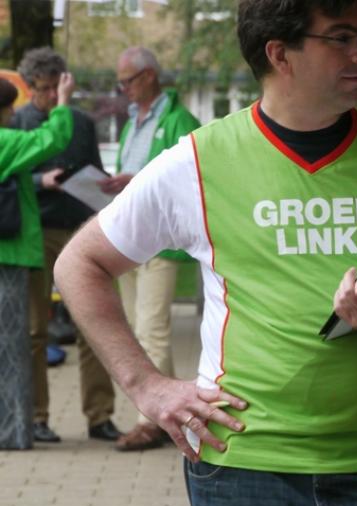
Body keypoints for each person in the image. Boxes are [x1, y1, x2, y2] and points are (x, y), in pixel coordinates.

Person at [54, 0, 357, 506]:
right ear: (279, 53)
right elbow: (79, 263)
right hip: (246, 472)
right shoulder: (199, 160)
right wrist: (148, 388)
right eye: (342, 38)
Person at [10, 47, 121, 444]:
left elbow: (94, 167)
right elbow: (11, 176)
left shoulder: (80, 121)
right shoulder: (18, 121)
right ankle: (38, 415)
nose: (48, 97)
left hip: (80, 230)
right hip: (37, 232)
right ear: (30, 88)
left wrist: (103, 183)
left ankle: (100, 415)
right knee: (37, 331)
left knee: (95, 326)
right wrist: (43, 181)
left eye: (54, 88)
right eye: (41, 90)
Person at [93, 46, 201, 452]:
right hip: (130, 242)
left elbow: (187, 178)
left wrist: (133, 180)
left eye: (128, 80)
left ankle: (149, 423)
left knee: (153, 327)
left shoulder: (178, 119)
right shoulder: (131, 122)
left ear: (151, 75)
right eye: (119, 82)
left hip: (162, 243)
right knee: (139, 329)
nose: (123, 89)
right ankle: (169, 413)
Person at [0, 72, 75, 449]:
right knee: (13, 346)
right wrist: (63, 101)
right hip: (8, 256)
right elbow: (52, 140)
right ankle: (13, 431)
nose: (13, 115)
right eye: (9, 108)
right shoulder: (4, 141)